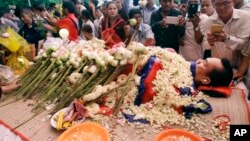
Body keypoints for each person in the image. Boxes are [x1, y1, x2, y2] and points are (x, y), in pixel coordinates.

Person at [202, 0, 250, 94]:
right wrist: (210, 42)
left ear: (233, 2)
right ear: (213, 4)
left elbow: (244, 44)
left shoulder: (245, 17)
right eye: (217, 4)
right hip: (218, 67)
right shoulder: (209, 21)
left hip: (238, 68)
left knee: (239, 93)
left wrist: (226, 39)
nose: (221, 7)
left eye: (225, 3)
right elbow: (205, 45)